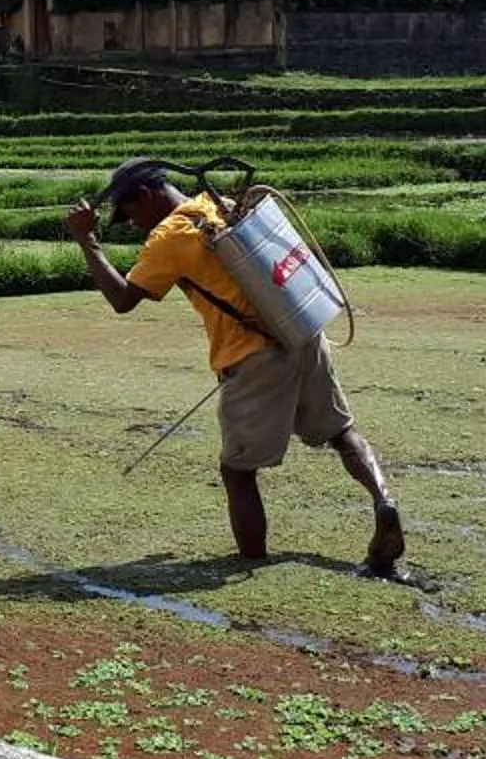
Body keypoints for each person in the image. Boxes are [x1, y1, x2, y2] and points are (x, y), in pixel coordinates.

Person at [65, 156, 405, 575]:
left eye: (131, 212)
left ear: (149, 195)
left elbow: (123, 300)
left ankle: (250, 565)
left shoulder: (170, 235)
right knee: (341, 432)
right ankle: (383, 498)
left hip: (252, 357)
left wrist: (88, 242)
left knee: (237, 471)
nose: (133, 223)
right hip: (302, 332)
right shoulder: (220, 205)